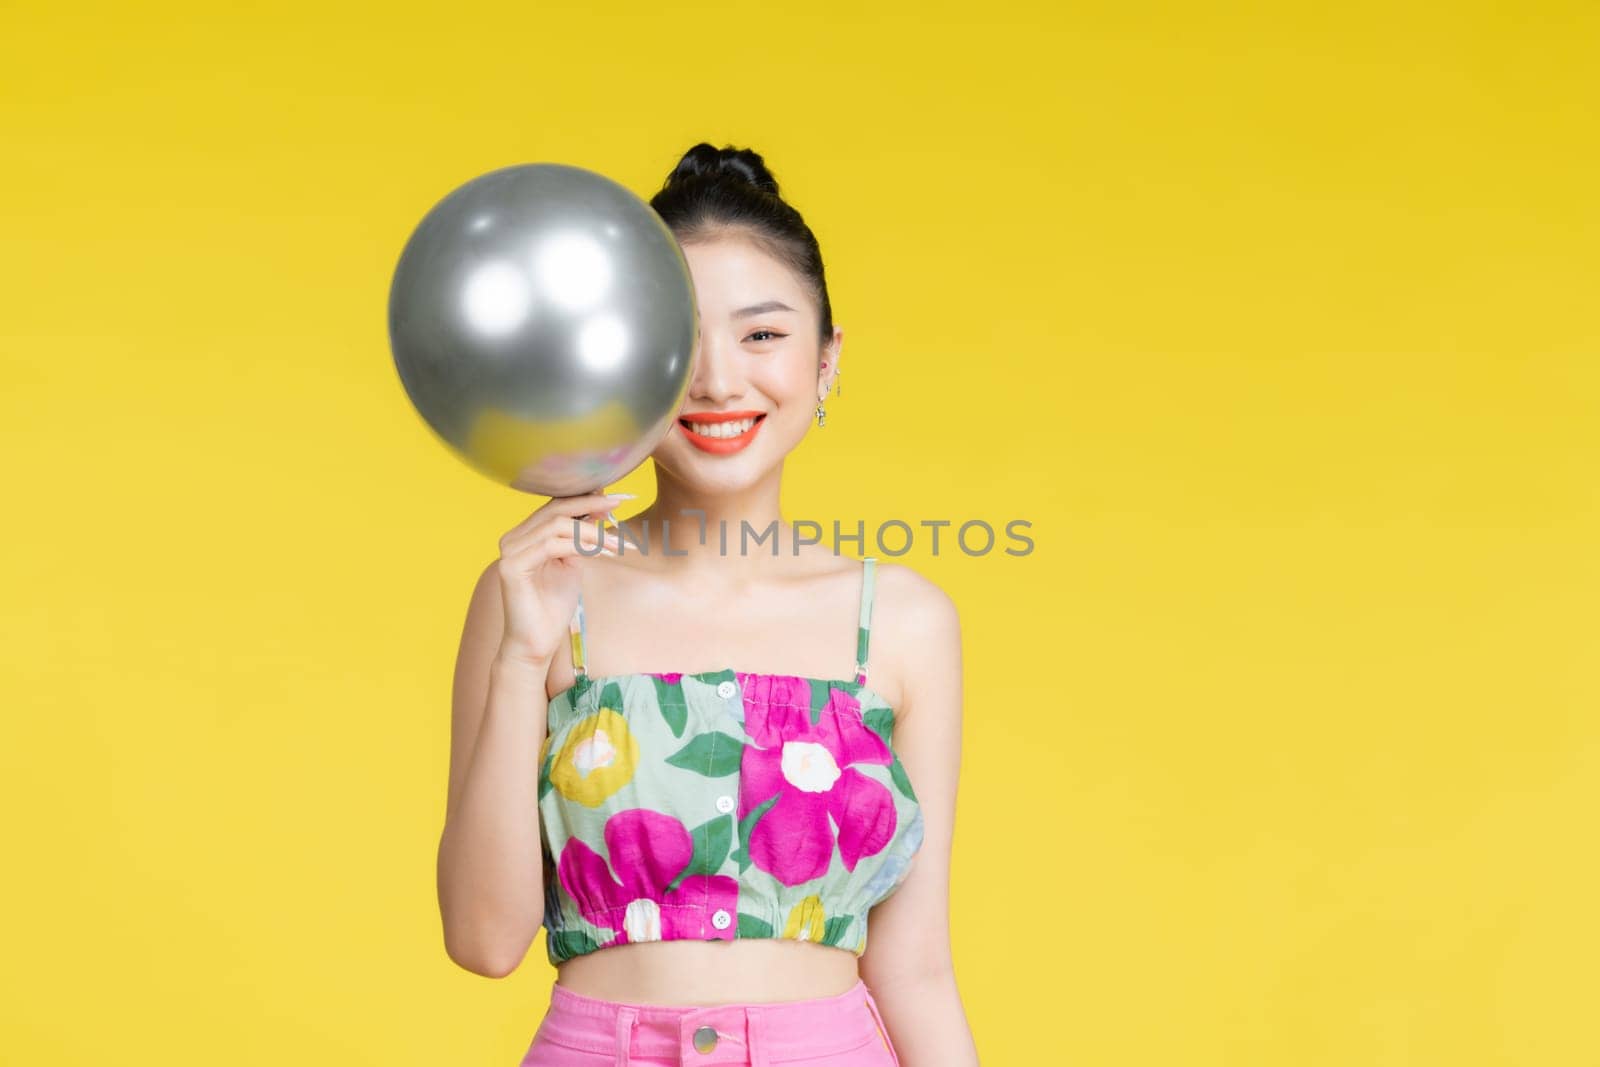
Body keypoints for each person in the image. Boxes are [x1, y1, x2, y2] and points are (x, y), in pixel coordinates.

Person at [438, 143, 977, 1066]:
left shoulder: (903, 621)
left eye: (762, 334)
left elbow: (916, 965)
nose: (719, 381)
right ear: (616, 359)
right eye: (679, 340)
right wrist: (522, 655)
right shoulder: (536, 594)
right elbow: (484, 941)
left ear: (826, 359)